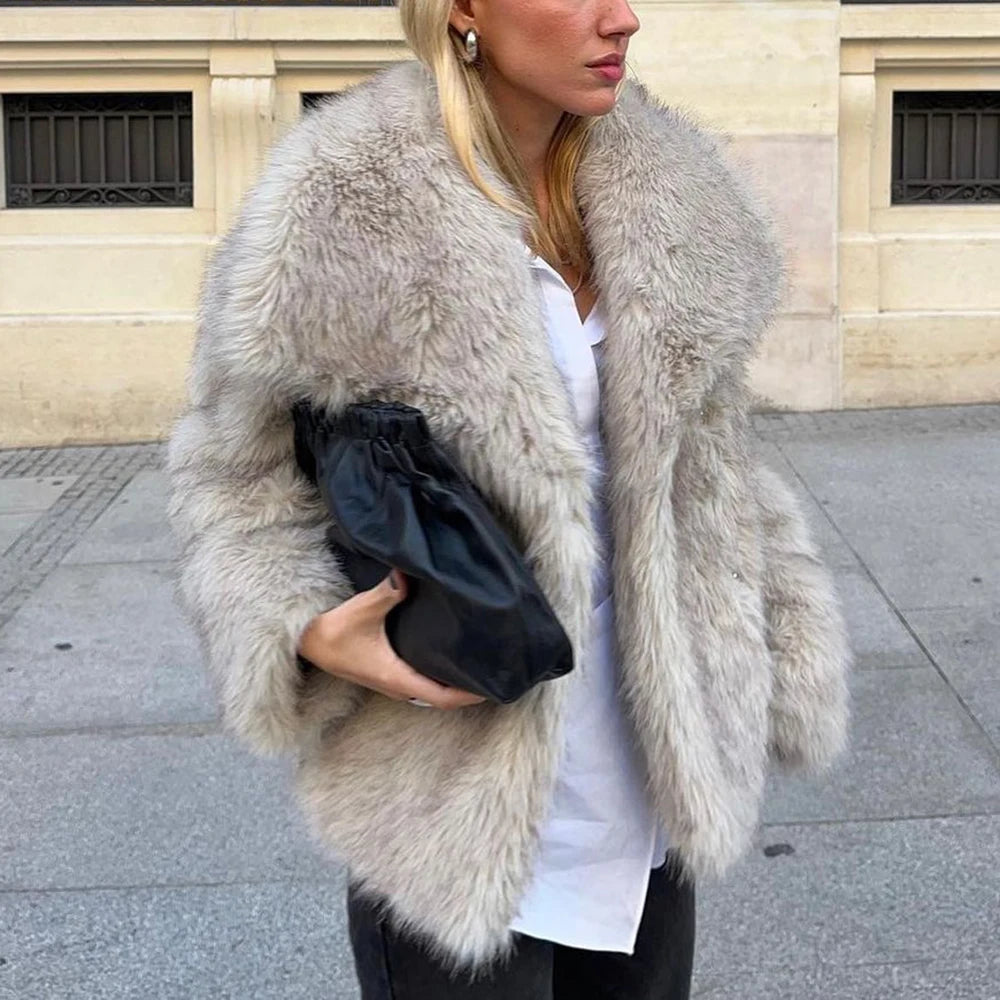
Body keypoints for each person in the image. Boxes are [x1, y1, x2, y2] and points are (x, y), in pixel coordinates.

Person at [166, 0, 852, 997]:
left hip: (651, 778)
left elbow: (715, 463)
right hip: (450, 797)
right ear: (464, 11)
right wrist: (301, 625)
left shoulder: (674, 199)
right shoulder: (342, 201)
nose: (621, 19)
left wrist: (778, 637)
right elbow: (231, 471)